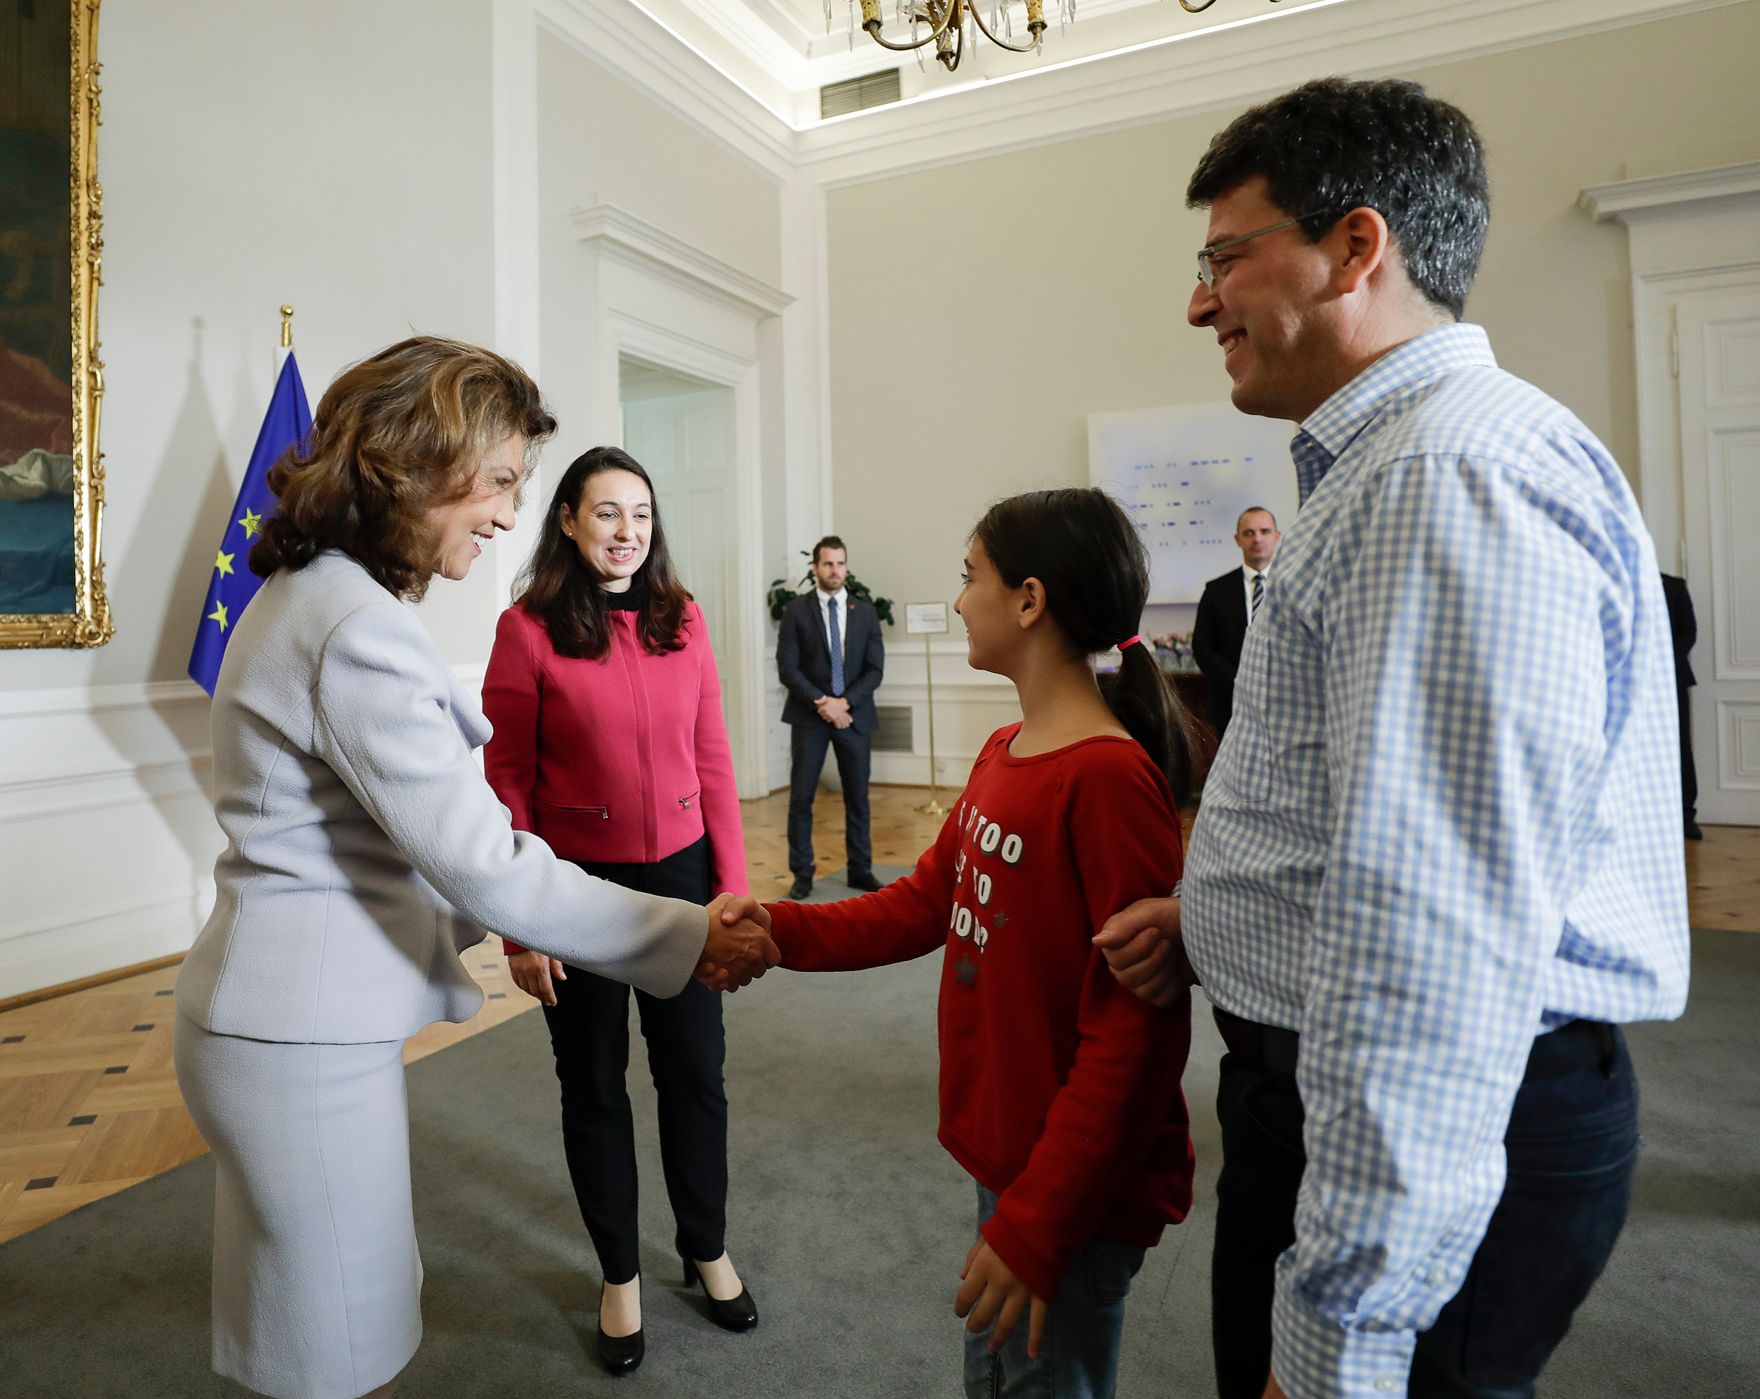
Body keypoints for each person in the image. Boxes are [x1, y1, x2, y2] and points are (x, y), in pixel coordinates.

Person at [1095, 78, 1690, 1399]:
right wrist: (1206, 911)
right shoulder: (1405, 465)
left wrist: (1344, 1337)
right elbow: (1349, 804)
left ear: (1356, 247)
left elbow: (1434, 938)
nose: (1201, 303)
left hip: (1437, 1117)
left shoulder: (1440, 477)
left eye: (1224, 258)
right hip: (1337, 1091)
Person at [173, 337, 776, 1399]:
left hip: (278, 1019)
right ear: (414, 460)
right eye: (498, 482)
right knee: (336, 1347)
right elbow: (485, 861)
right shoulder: (355, 625)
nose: (504, 513)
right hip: (296, 1034)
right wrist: (687, 932)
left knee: (297, 1322)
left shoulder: (320, 593)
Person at [725, 488, 1198, 1399]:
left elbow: (1133, 1037)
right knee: (998, 1379)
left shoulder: (1106, 781)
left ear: (1029, 600)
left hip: (1072, 1188)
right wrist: (778, 928)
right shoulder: (1003, 750)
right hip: (1008, 1155)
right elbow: (921, 905)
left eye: (969, 577)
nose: (961, 597)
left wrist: (1037, 1223)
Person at [482, 445, 757, 1377]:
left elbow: (713, 756)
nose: (626, 532)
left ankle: (706, 1246)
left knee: (696, 1073)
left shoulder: (685, 618)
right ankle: (618, 1275)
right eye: (607, 513)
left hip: (682, 883)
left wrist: (735, 888)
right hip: (577, 890)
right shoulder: (526, 629)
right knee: (594, 1083)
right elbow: (505, 781)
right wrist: (521, 924)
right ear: (568, 519)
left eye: (640, 513)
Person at [777, 535, 887, 899]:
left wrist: (843, 705)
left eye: (840, 563)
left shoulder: (866, 613)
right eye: (827, 563)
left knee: (857, 799)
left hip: (853, 718)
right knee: (801, 799)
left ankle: (860, 868)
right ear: (816, 568)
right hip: (810, 718)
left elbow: (874, 670)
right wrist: (824, 702)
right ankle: (803, 871)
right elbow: (787, 669)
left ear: (846, 566)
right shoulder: (795, 611)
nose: (835, 570)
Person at [1190, 507, 1280, 739]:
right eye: (1249, 533)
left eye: (1264, 531)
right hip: (1230, 706)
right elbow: (1202, 648)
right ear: (1237, 539)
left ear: (1276, 536)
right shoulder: (1216, 591)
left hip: (1284, 702)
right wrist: (1240, 681)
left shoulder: (1294, 586)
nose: (1257, 538)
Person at [1661, 572, 1701, 839]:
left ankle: (1686, 816)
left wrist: (1664, 659)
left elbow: (1689, 631)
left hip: (1672, 677)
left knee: (1680, 746)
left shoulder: (1675, 586)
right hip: (1629, 680)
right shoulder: (1621, 583)